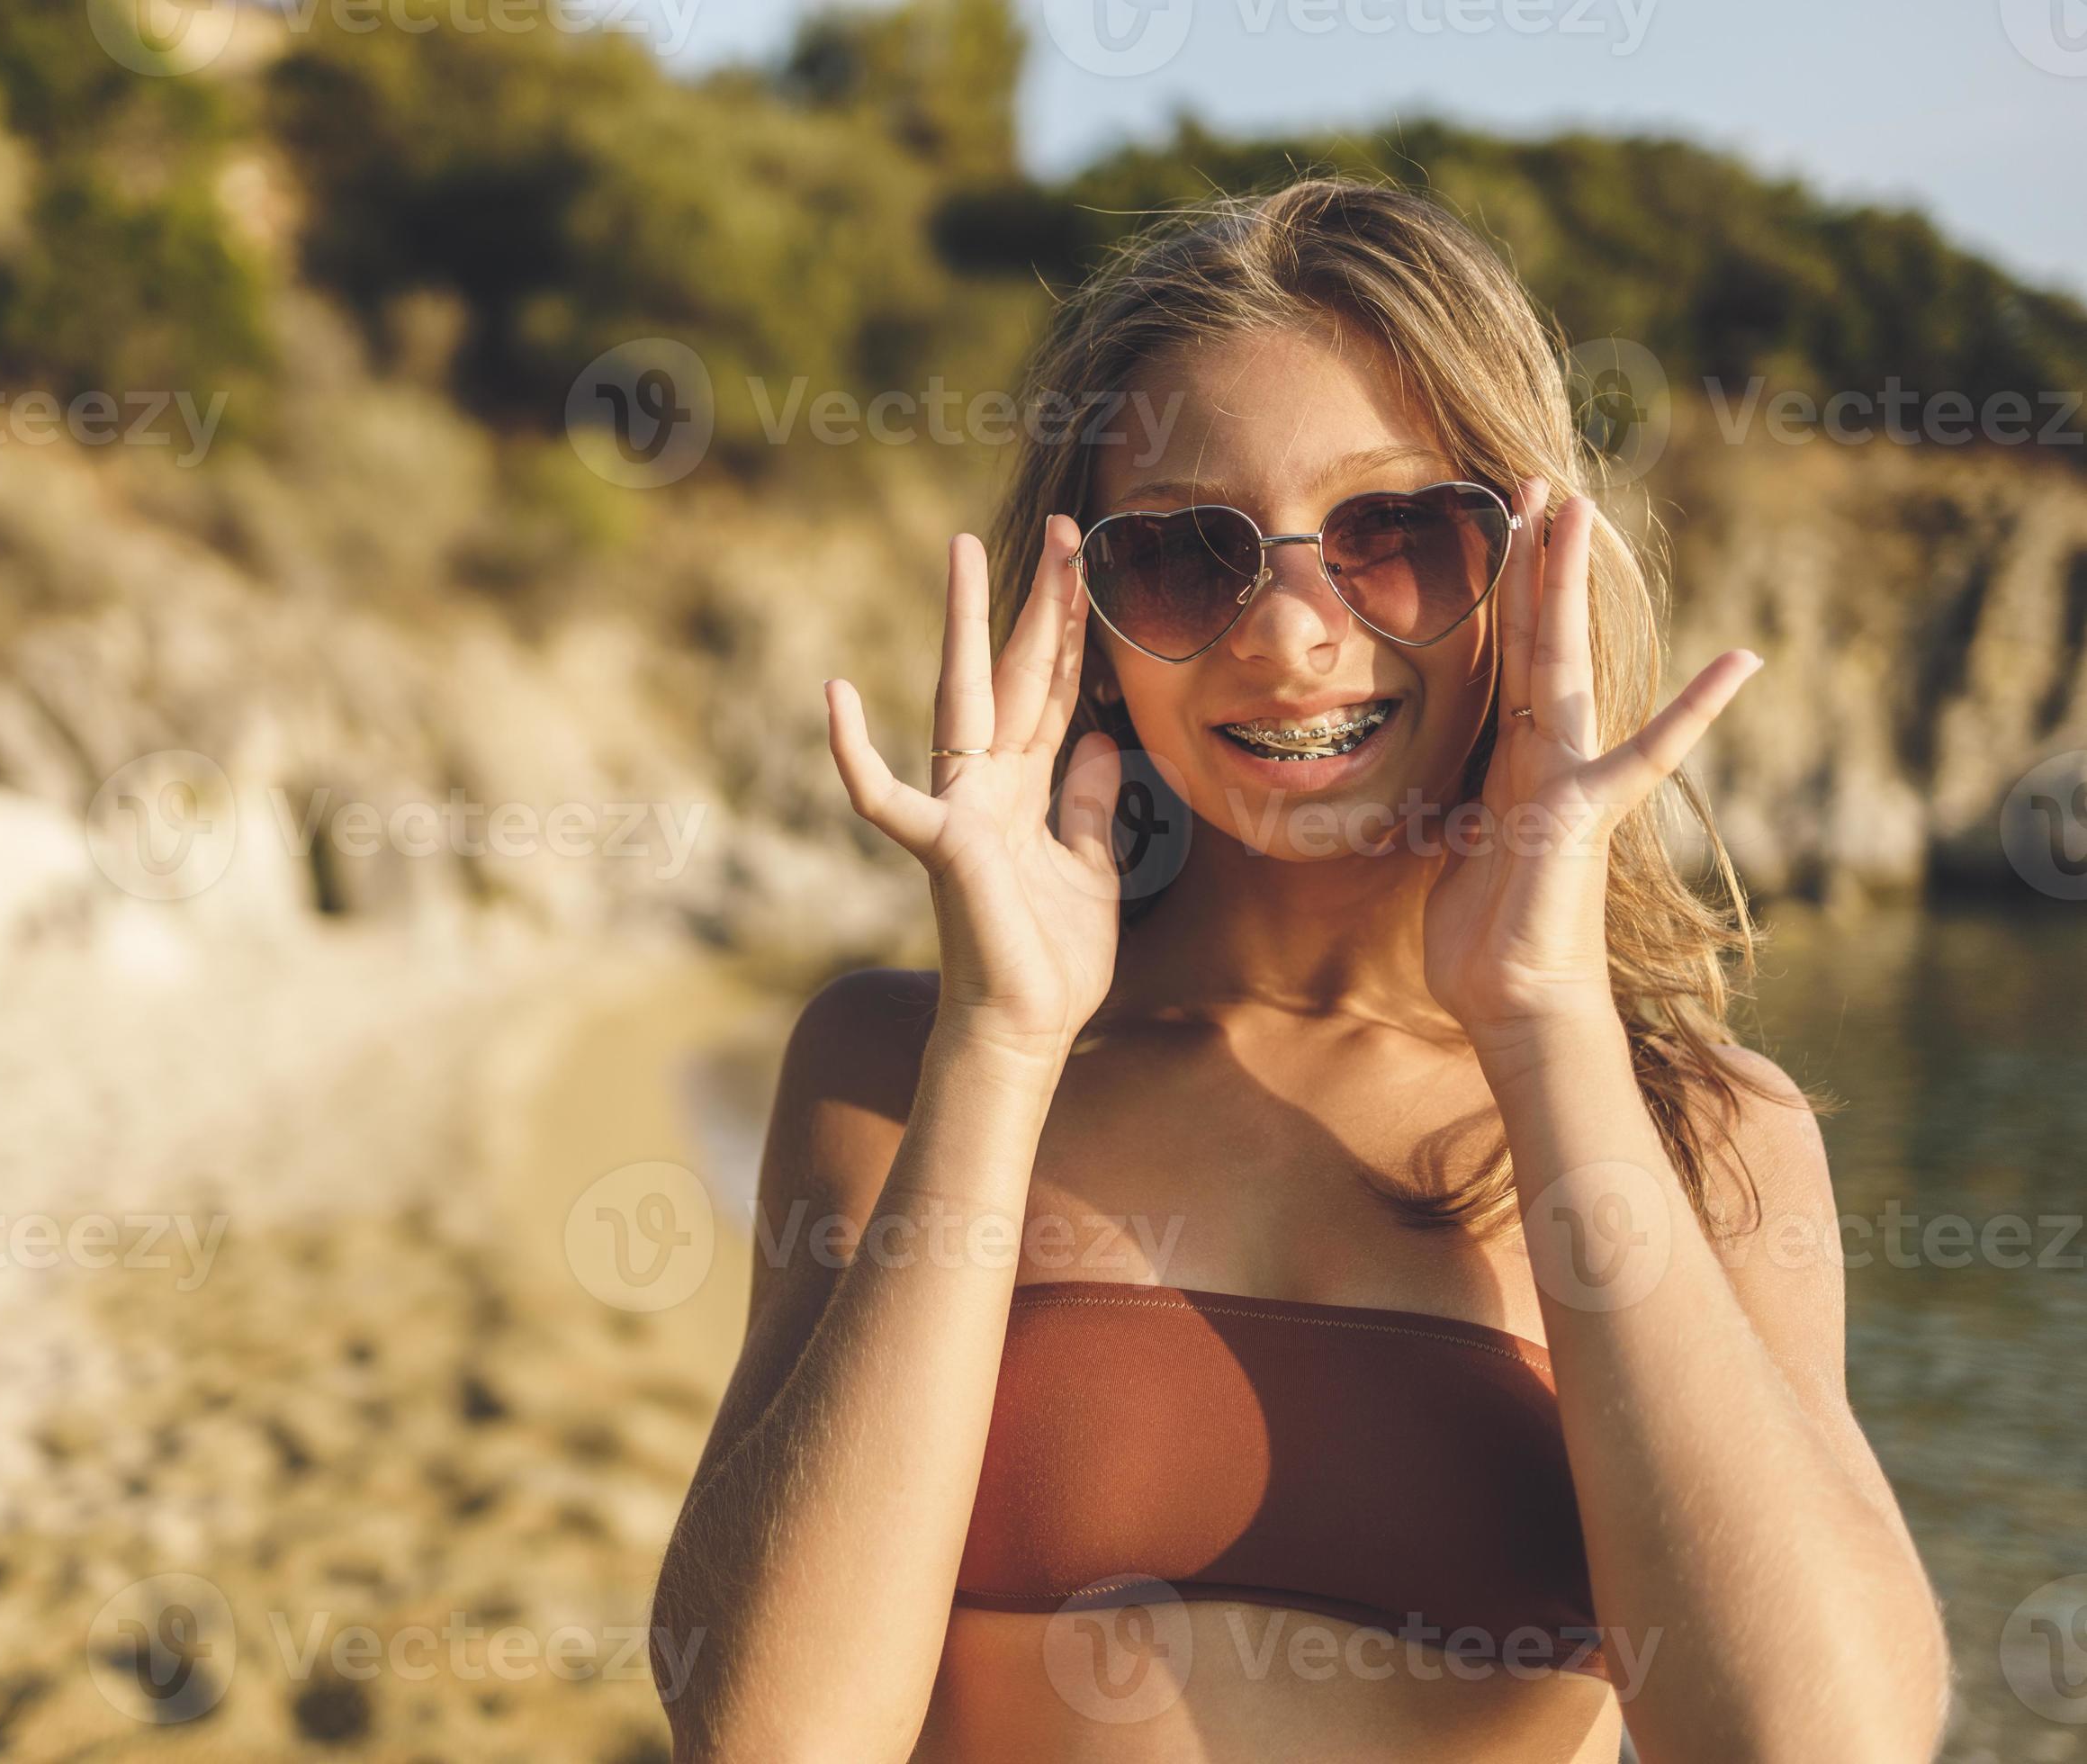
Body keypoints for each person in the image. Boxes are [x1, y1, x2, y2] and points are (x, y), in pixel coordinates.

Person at [652, 179, 1947, 1762]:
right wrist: (999, 1046)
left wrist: (1544, 1029)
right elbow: (770, 1735)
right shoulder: (896, 1068)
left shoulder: (1705, 1138)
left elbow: (1815, 1744)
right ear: (1087, 619)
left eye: (1391, 532)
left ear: (1532, 562)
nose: (1287, 632)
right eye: (1192, 556)